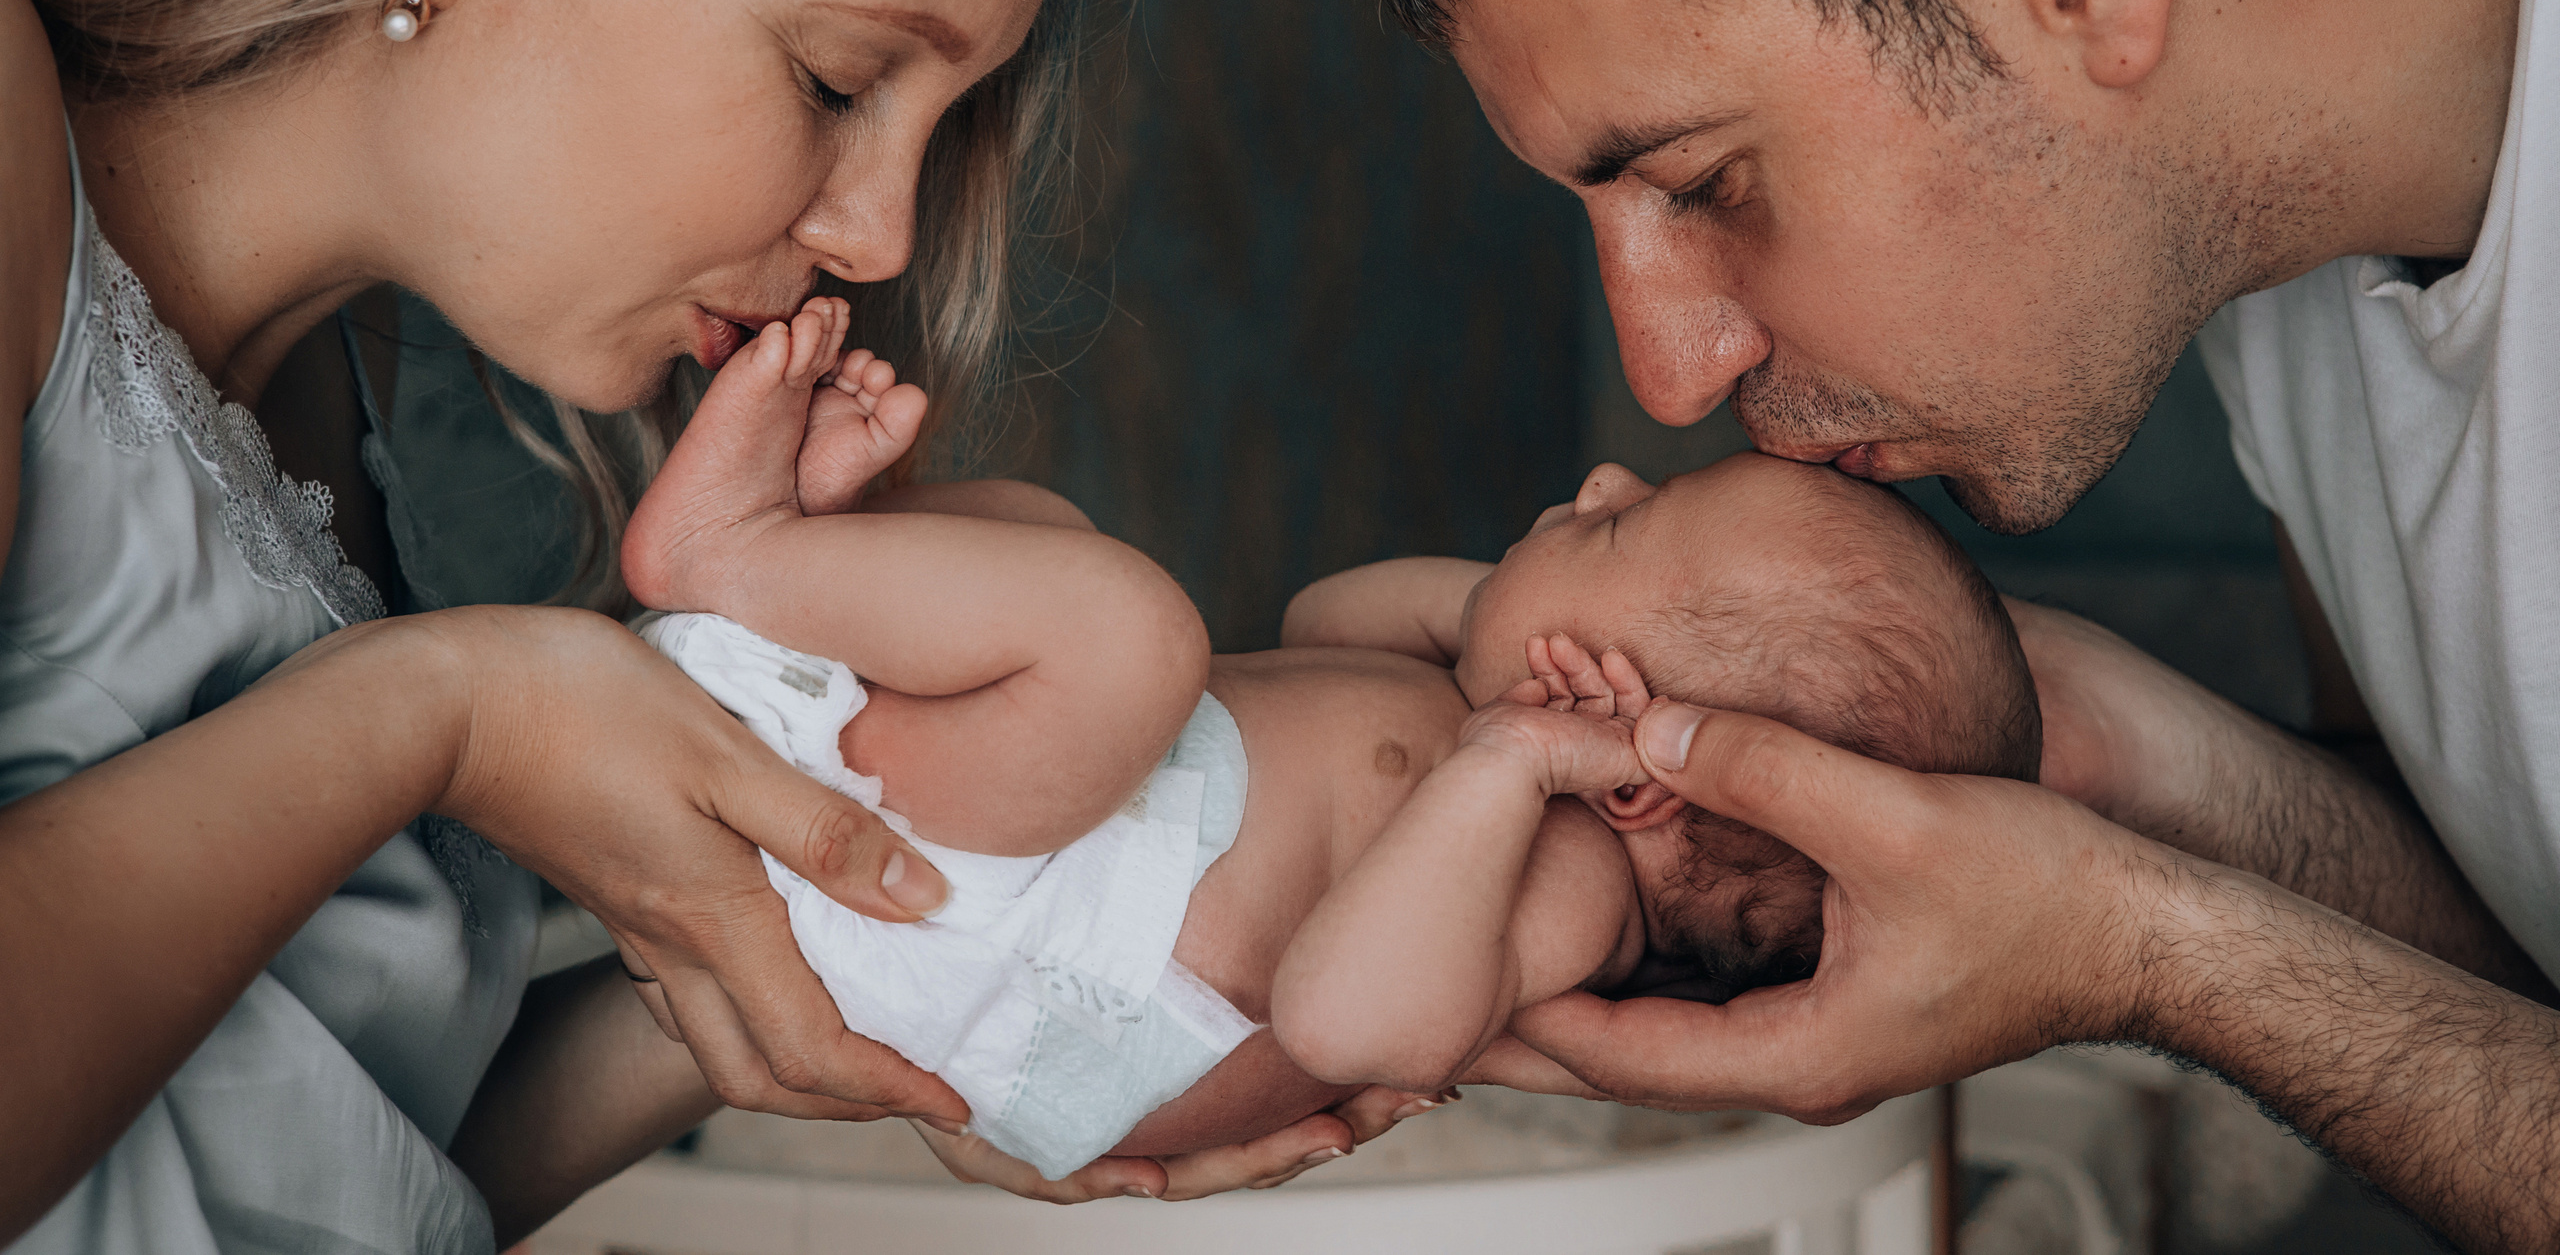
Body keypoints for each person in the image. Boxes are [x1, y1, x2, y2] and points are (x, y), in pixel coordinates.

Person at [0, 0, 1417, 1247]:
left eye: (942, 122)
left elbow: (301, 1166)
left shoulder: (339, 391)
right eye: (836, 77)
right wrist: (450, 717)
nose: (879, 235)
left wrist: (849, 973)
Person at [1347, 0, 2560, 1247]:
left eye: (1705, 182)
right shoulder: (2263, 188)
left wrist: (2155, 956)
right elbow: (2524, 946)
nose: (1671, 376)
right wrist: (2115, 756)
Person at [604, 297, 2040, 1185]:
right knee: (1057, 542)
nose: (1603, 476)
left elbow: (1349, 1027)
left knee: (1133, 637)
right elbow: (1320, 619)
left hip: (1048, 942)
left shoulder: (1568, 888)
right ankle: (815, 565)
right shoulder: (1476, 730)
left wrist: (1508, 766)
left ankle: (732, 554)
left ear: (1639, 780)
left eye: (1623, 526)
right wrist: (1498, 641)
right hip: (1026, 868)